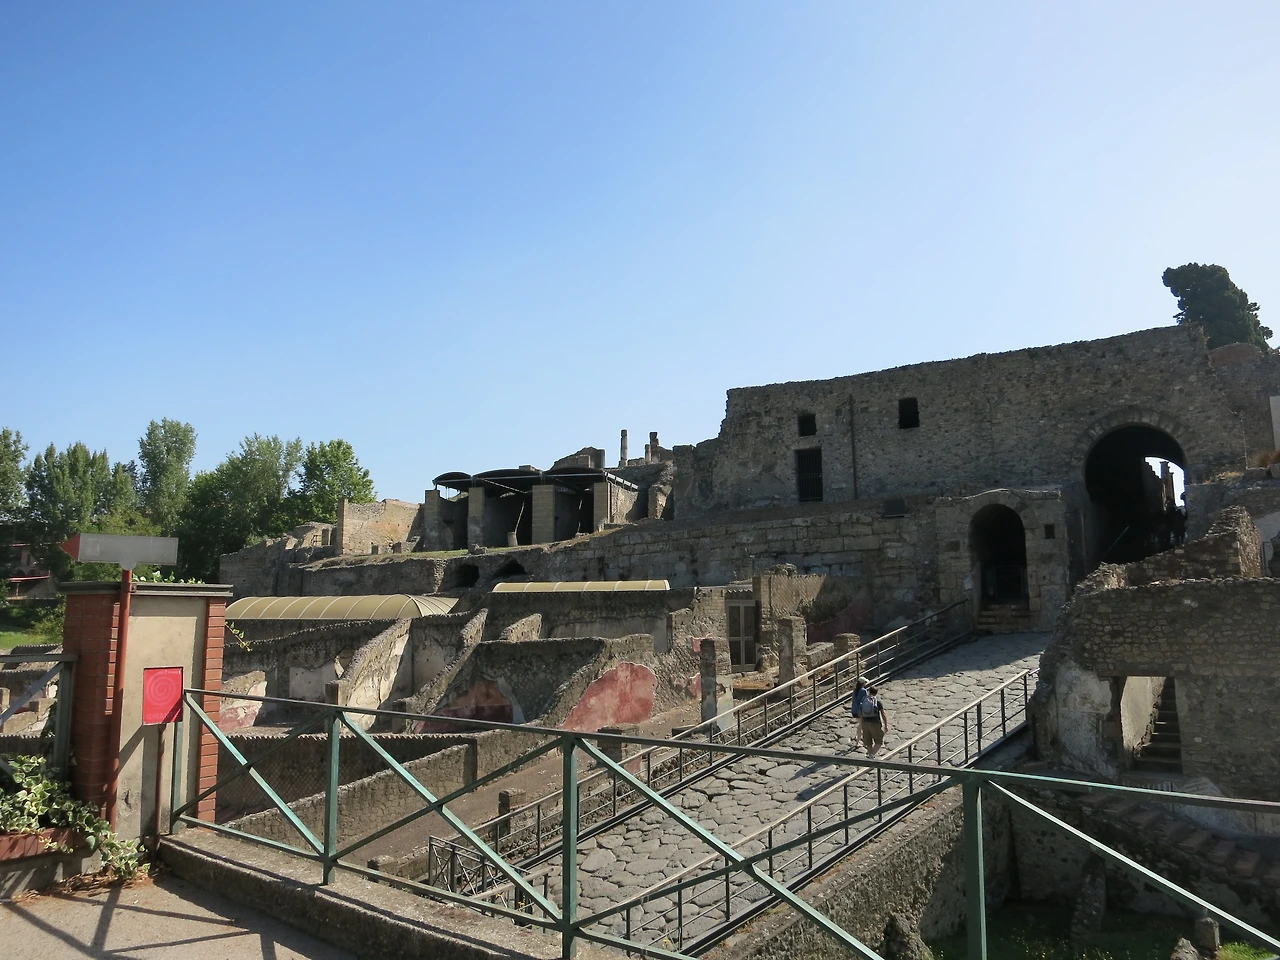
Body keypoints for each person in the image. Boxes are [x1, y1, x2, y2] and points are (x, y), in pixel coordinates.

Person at [858, 684, 889, 758]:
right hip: (875, 723)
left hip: (865, 723)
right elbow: (883, 714)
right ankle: (872, 755)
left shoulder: (864, 700)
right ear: (876, 693)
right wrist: (885, 725)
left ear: (869, 692)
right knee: (879, 741)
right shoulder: (877, 702)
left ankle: (870, 757)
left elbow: (859, 712)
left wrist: (861, 723)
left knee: (868, 742)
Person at [850, 677, 870, 752]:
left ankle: (857, 737)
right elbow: (865, 700)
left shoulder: (855, 690)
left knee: (860, 724)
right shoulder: (864, 691)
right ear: (863, 683)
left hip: (854, 710)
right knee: (861, 725)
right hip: (860, 711)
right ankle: (857, 742)